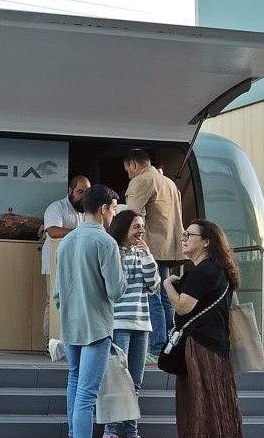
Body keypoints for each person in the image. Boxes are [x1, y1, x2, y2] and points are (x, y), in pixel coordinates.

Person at [53, 184, 127, 438]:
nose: (114, 215)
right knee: (87, 393)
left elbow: (57, 294)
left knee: (74, 384)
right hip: (96, 326)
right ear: (103, 208)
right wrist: (124, 269)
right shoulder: (106, 242)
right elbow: (116, 290)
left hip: (71, 325)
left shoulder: (66, 242)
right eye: (114, 209)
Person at [163, 220, 244, 437]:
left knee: (197, 406)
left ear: (206, 241)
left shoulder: (202, 271)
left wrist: (167, 285)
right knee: (217, 405)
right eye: (184, 235)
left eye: (190, 235)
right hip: (216, 346)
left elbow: (182, 307)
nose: (184, 238)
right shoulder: (221, 271)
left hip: (198, 347)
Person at [122, 149, 185, 359]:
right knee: (166, 298)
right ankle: (168, 345)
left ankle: (157, 348)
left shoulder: (142, 180)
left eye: (127, 169)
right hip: (170, 247)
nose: (128, 174)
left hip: (149, 248)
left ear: (132, 164)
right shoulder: (169, 182)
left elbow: (132, 214)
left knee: (152, 298)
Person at [102, 210, 159, 438]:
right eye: (137, 226)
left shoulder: (143, 253)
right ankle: (110, 431)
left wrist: (147, 256)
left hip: (141, 325)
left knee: (135, 382)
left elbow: (154, 286)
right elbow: (117, 285)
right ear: (125, 227)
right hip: (118, 323)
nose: (141, 231)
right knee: (117, 379)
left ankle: (131, 431)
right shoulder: (112, 251)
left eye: (142, 226)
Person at [42, 175, 91, 340]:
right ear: (70, 191)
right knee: (54, 303)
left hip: (79, 264)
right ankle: (52, 343)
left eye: (87, 192)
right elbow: (53, 231)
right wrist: (79, 233)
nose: (84, 196)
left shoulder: (88, 211)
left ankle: (71, 340)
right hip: (55, 264)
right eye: (80, 192)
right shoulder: (56, 207)